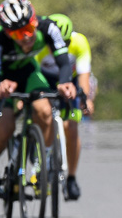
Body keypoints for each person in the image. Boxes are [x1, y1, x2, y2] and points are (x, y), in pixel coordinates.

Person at [0, 0, 78, 202]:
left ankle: (39, 168)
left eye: (29, 28)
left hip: (28, 72)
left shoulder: (48, 28)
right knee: (5, 128)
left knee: (44, 112)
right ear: (8, 33)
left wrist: (64, 82)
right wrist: (0, 86)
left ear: (35, 20)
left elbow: (63, 61)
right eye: (18, 33)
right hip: (2, 80)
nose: (26, 37)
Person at [40, 14, 95, 200]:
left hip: (69, 81)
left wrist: (85, 100)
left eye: (65, 42)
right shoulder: (40, 46)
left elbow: (83, 75)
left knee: (71, 126)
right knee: (41, 115)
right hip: (45, 80)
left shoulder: (79, 43)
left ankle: (71, 177)